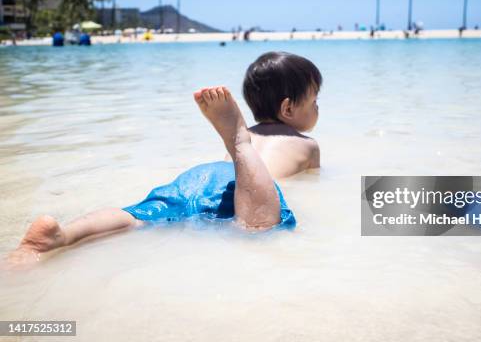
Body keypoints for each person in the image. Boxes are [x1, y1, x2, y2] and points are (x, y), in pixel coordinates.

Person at [6, 52, 322, 267]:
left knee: (139, 214)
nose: (318, 108)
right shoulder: (306, 146)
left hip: (206, 177)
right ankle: (238, 141)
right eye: (314, 101)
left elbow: (225, 175)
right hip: (251, 190)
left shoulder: (258, 137)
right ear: (288, 109)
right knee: (262, 228)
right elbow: (313, 185)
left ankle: (61, 236)